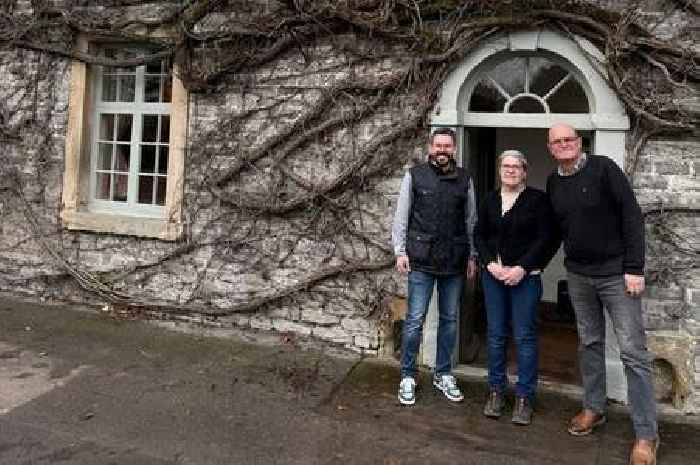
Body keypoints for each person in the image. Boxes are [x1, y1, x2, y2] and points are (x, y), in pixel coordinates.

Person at [546, 123, 658, 465]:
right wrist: (530, 263)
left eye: (569, 139)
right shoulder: (554, 182)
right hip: (579, 275)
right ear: (551, 148)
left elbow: (631, 217)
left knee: (633, 353)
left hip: (616, 275)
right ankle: (594, 408)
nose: (564, 144)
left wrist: (635, 268)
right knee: (589, 343)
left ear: (580, 142)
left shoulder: (604, 169)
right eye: (557, 141)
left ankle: (646, 435)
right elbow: (556, 230)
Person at [392, 127, 477, 406]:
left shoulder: (465, 179)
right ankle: (407, 375)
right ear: (430, 148)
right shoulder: (414, 175)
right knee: (415, 319)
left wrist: (473, 256)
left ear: (454, 149)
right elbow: (402, 216)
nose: (442, 150)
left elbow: (471, 221)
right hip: (421, 259)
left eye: (447, 146)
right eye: (438, 145)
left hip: (454, 260)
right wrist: (400, 251)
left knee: (450, 320)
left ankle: (443, 373)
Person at [474, 150, 553, 426]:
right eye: (505, 166)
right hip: (493, 277)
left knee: (524, 337)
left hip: (526, 278)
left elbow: (545, 238)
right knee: (495, 335)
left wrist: (521, 268)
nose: (510, 171)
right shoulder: (489, 199)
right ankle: (496, 391)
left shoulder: (538, 200)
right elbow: (479, 234)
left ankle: (524, 396)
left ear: (524, 171)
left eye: (515, 167)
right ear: (499, 170)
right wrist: (488, 264)